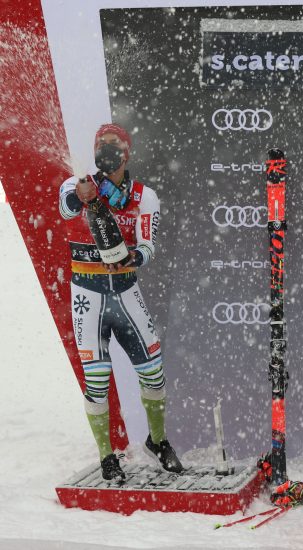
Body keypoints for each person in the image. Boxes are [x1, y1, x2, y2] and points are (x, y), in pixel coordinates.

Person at [58, 123, 183, 480]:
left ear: (126, 152)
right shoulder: (78, 183)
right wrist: (81, 194)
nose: (105, 150)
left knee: (153, 370)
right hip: (88, 295)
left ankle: (157, 441)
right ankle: (106, 455)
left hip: (126, 291)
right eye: (100, 144)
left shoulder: (145, 195)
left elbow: (148, 245)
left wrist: (135, 258)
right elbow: (67, 208)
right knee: (96, 379)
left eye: (112, 144)